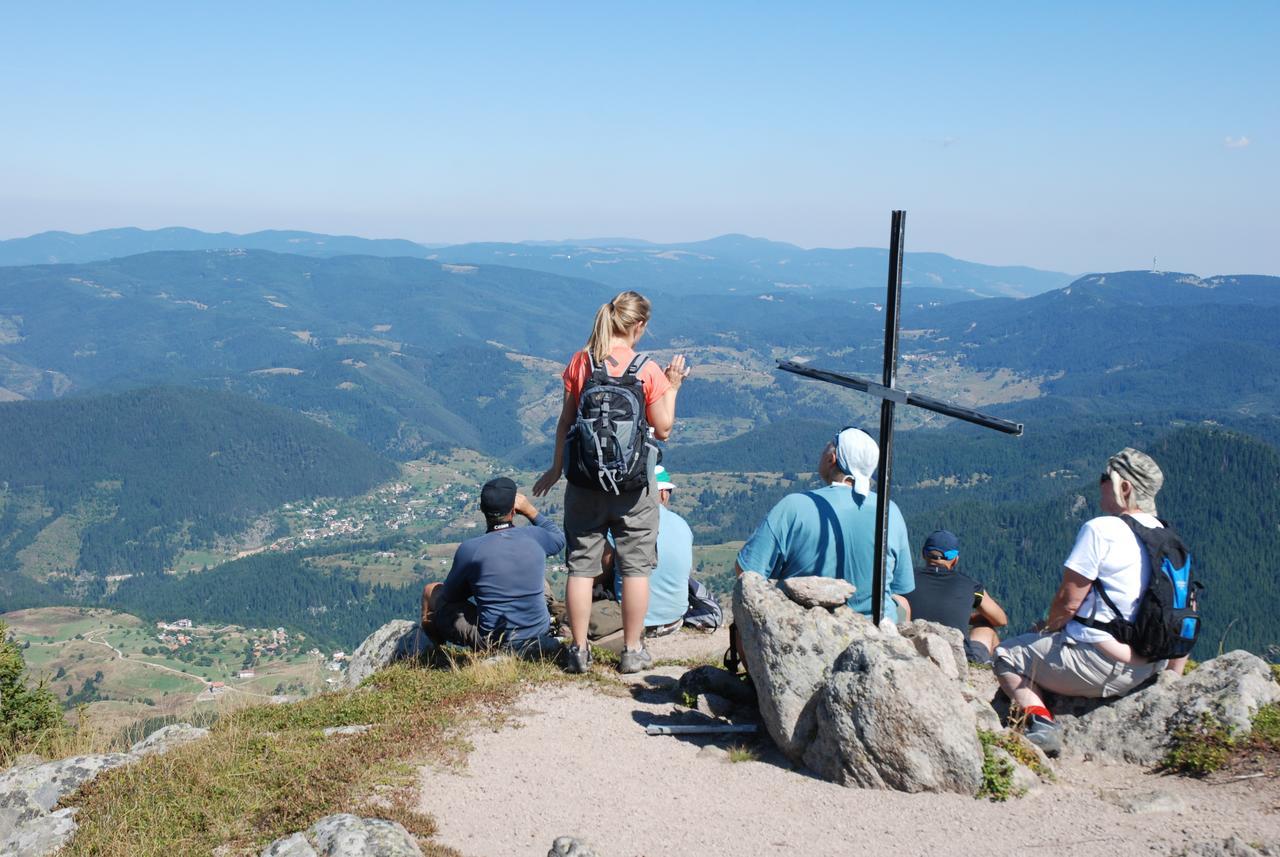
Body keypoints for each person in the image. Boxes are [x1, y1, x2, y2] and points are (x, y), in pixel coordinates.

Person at [994, 448, 1189, 757]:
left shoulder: (1102, 529)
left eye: (1104, 478)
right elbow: (1185, 610)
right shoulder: (1168, 538)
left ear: (1124, 488)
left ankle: (1042, 725)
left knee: (1005, 655)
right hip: (1152, 666)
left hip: (1101, 663)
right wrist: (1172, 680)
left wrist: (1044, 628)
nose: (1098, 484)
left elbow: (1068, 602)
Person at [533, 290, 688, 674]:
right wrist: (673, 387)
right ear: (639, 326)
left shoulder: (580, 362)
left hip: (584, 482)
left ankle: (579, 650)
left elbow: (565, 423)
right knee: (636, 568)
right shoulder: (647, 370)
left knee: (581, 567)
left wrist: (556, 469)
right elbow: (663, 429)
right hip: (634, 488)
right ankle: (633, 650)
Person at [734, 427, 914, 622]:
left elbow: (746, 572)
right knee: (901, 603)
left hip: (811, 630)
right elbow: (900, 587)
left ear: (832, 458)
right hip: (877, 632)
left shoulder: (794, 506)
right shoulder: (890, 511)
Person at [421, 477, 564, 656]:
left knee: (430, 591)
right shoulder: (535, 537)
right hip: (539, 632)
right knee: (537, 579)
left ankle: (433, 653)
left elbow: (450, 596)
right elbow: (559, 538)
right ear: (514, 511)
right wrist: (530, 511)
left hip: (494, 641)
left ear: (482, 510)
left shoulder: (470, 549)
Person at [601, 466, 693, 637]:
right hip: (674, 620)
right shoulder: (683, 525)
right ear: (663, 493)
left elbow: (604, 567)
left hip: (628, 623)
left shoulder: (620, 523)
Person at [904, 530, 1008, 665]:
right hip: (958, 659)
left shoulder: (905, 580)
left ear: (924, 554)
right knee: (986, 629)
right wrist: (969, 617)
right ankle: (993, 674)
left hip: (914, 652)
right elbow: (1000, 620)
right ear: (955, 559)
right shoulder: (971, 586)